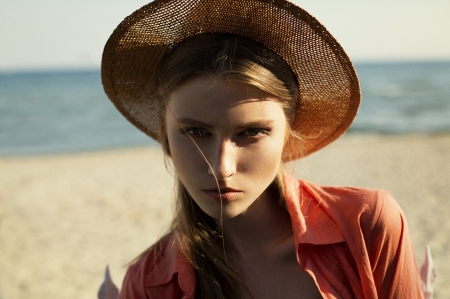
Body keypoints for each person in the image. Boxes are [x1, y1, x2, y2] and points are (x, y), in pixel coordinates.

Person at [101, 0, 424, 298]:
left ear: (288, 131)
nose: (221, 167)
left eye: (252, 132)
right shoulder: (149, 281)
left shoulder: (365, 224)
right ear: (165, 133)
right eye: (196, 131)